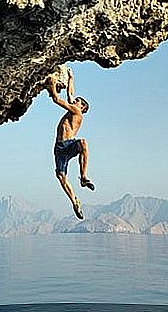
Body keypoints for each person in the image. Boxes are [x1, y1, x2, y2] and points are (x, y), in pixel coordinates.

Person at [46, 67, 95, 220]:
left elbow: (56, 99)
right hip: (59, 148)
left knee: (83, 143)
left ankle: (83, 176)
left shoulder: (77, 112)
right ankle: (75, 202)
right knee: (61, 176)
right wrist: (70, 78)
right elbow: (70, 94)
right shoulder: (73, 110)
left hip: (68, 144)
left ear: (82, 107)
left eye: (78, 101)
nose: (75, 100)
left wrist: (52, 84)